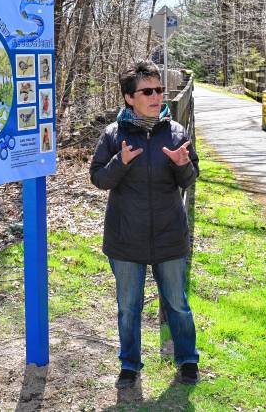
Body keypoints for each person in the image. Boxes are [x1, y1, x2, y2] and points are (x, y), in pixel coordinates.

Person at [89, 60, 200, 389]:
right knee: (129, 308)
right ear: (128, 97)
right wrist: (120, 162)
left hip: (169, 235)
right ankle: (129, 365)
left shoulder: (176, 132)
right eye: (147, 91)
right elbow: (99, 179)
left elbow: (191, 177)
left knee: (177, 304)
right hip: (126, 238)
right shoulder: (113, 135)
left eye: (159, 90)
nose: (156, 96)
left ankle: (188, 360)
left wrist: (182, 166)